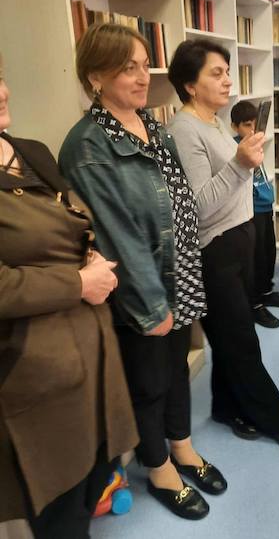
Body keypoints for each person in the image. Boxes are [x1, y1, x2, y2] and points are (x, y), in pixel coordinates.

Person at [59, 24, 226, 522]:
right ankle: (159, 468)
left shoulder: (151, 123)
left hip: (179, 269)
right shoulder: (89, 144)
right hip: (143, 283)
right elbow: (118, 237)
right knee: (149, 381)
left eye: (143, 64)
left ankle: (183, 447)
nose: (142, 76)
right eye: (126, 68)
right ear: (95, 77)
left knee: (176, 367)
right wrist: (152, 305)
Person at [0, 55, 138, 537]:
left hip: (92, 351)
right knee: (61, 509)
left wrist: (93, 254)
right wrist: (79, 283)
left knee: (97, 475)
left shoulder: (31, 151)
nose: (2, 91)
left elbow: (75, 221)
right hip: (34, 368)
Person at [167, 38, 279, 454]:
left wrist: (242, 163)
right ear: (190, 85)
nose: (228, 80)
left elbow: (230, 185)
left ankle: (225, 408)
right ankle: (275, 419)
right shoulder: (183, 130)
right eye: (216, 73)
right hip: (215, 250)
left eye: (227, 72)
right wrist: (240, 163)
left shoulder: (213, 122)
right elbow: (196, 207)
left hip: (238, 239)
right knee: (242, 340)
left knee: (231, 337)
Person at [230, 100, 279, 330]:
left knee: (268, 254)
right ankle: (254, 303)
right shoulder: (236, 148)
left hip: (265, 206)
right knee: (254, 259)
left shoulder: (256, 144)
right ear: (235, 126)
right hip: (250, 211)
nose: (252, 129)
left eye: (255, 124)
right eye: (247, 125)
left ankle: (266, 292)